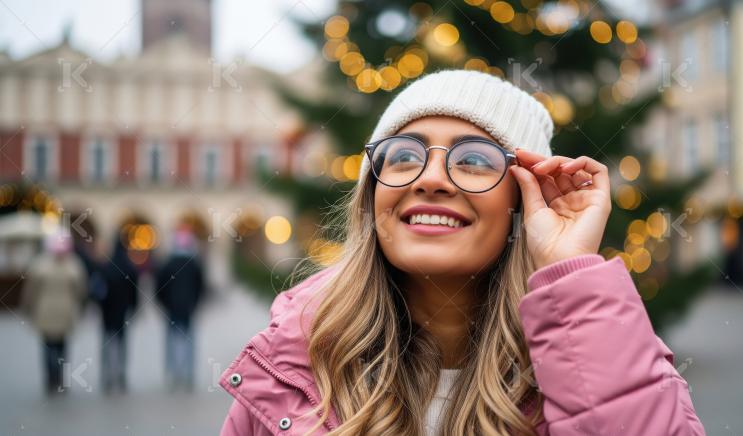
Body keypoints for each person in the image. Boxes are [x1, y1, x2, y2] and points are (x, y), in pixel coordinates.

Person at [217, 69, 706, 435]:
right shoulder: (291, 366)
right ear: (372, 196)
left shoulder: (590, 355)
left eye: (473, 159)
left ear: (524, 200)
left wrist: (570, 273)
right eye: (404, 154)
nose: (430, 179)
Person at [20, 230, 87, 396]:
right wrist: (81, 306)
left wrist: (27, 308)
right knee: (62, 347)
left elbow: (30, 291)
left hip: (45, 312)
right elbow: (81, 290)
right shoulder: (73, 264)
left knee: (48, 346)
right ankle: (61, 380)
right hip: (65, 312)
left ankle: (51, 379)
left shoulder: (39, 264)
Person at [155, 226, 206, 392]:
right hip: (188, 310)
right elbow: (201, 287)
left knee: (171, 342)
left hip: (171, 310)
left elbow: (159, 288)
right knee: (189, 342)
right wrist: (195, 304)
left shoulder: (168, 263)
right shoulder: (194, 264)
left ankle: (173, 373)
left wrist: (165, 305)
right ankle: (188, 374)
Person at [98, 232, 140, 394]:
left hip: (107, 313)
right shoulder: (129, 266)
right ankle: (121, 374)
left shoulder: (106, 265)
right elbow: (134, 291)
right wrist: (133, 307)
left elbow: (98, 289)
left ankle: (107, 375)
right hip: (122, 312)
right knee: (122, 344)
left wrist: (100, 305)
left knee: (107, 344)